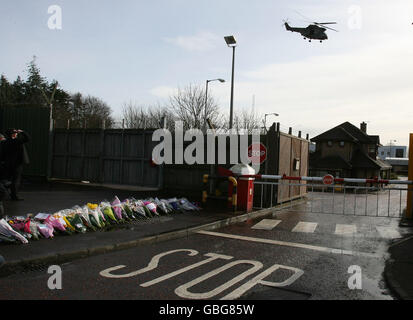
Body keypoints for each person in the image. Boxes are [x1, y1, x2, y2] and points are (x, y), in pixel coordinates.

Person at [2, 129, 30, 201]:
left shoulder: (5, 142)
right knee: (16, 180)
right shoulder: (17, 141)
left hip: (7, 164)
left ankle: (8, 193)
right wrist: (22, 132)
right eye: (15, 133)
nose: (16, 134)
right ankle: (14, 195)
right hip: (17, 164)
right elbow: (27, 138)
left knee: (7, 180)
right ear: (13, 134)